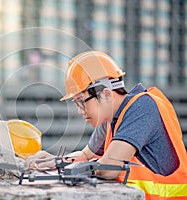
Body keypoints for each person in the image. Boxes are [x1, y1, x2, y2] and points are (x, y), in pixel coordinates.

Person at [25, 51, 187, 199]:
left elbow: (110, 167)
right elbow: (86, 156)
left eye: (82, 102)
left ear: (106, 95)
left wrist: (70, 166)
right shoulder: (110, 119)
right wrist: (55, 160)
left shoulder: (143, 107)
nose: (80, 111)